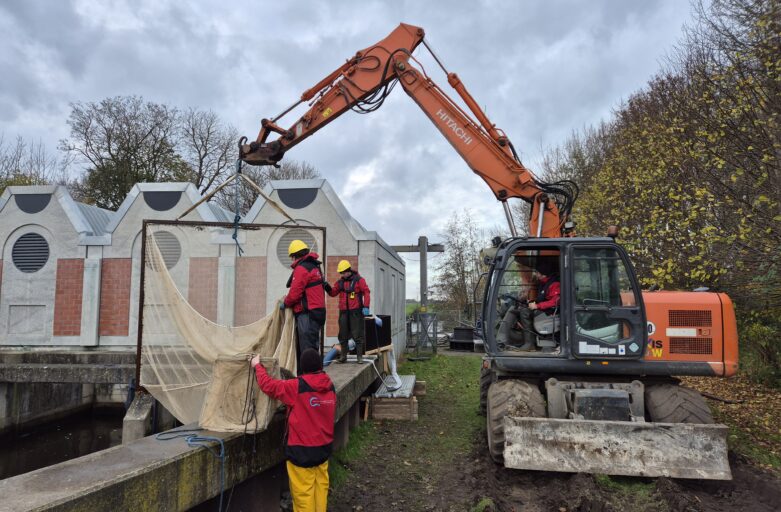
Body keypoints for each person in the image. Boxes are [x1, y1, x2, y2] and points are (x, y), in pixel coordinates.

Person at [251, 349, 335, 512]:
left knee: (304, 496)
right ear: (320, 366)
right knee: (320, 489)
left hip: (302, 452)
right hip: (324, 449)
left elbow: (269, 386)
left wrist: (257, 366)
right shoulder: (329, 385)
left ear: (302, 368)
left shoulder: (296, 386)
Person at [283, 240, 326, 364]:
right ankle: (314, 373)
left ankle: (308, 375)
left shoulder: (301, 268)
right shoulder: (314, 266)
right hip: (317, 313)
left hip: (307, 314)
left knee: (307, 350)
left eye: (291, 257)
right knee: (312, 347)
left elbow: (294, 294)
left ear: (294, 256)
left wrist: (285, 303)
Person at [325, 260, 371, 363]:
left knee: (358, 335)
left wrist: (366, 306)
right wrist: (326, 286)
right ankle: (343, 356)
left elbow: (366, 292)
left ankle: (359, 357)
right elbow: (333, 293)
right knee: (343, 335)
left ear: (348, 271)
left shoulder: (359, 280)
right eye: (341, 273)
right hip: (343, 313)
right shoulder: (340, 282)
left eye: (343, 272)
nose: (342, 274)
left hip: (356, 312)